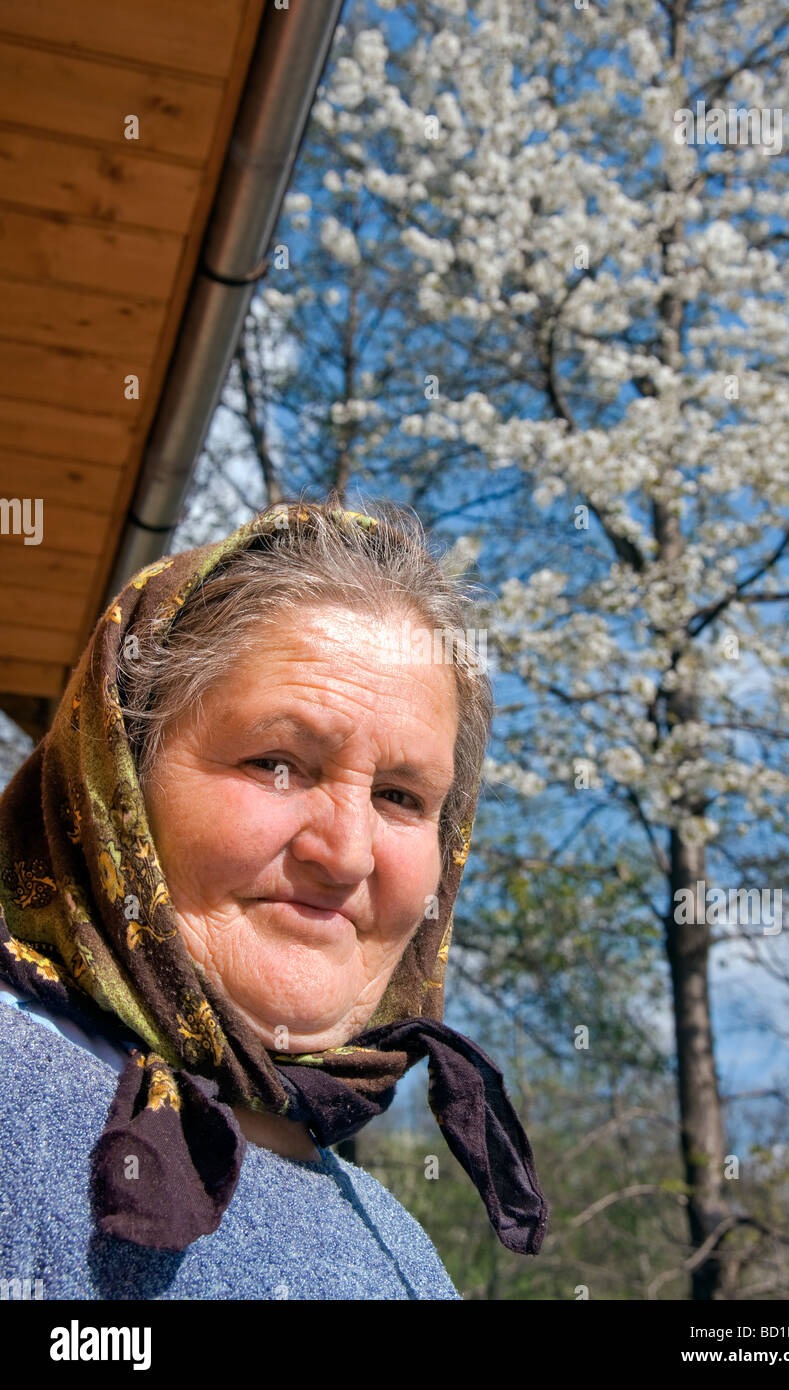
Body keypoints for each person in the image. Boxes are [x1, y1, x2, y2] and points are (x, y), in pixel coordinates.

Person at [0, 495, 547, 1300]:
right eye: (276, 764)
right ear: (115, 781)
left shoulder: (399, 1254)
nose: (347, 853)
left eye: (399, 796)